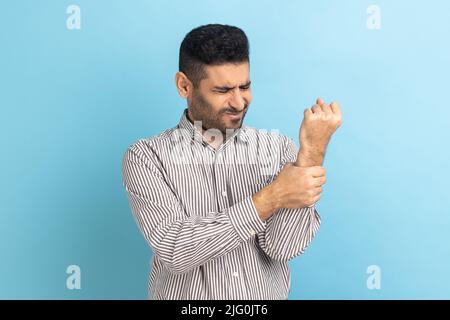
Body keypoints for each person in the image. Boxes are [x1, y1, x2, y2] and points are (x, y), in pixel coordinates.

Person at [122, 24, 342, 299]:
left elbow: (283, 248)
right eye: (223, 90)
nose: (239, 102)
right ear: (184, 86)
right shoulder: (147, 157)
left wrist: (311, 154)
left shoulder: (277, 148)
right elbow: (176, 250)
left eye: (245, 86)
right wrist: (271, 198)